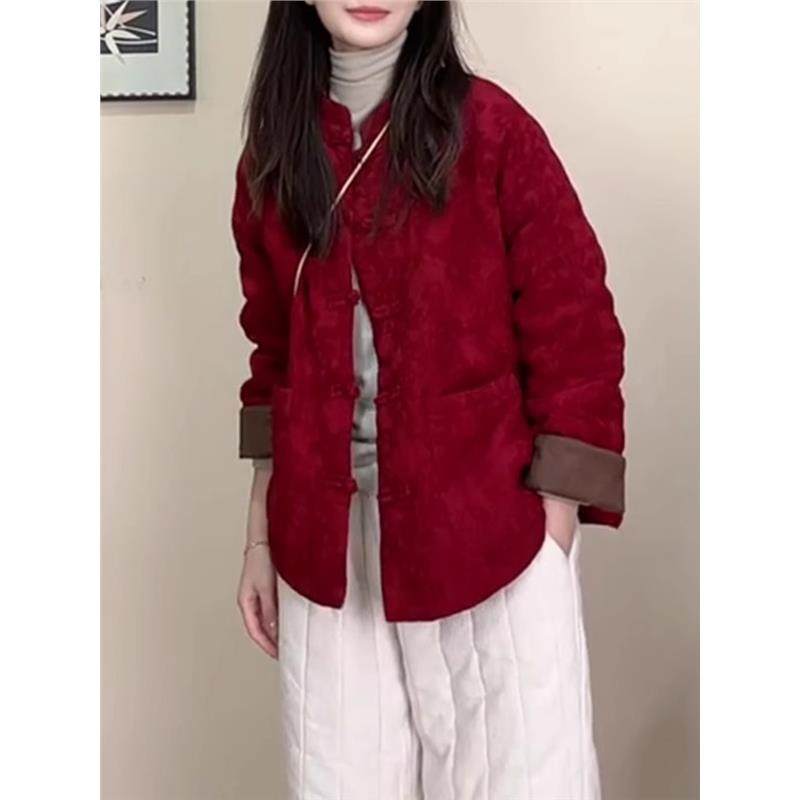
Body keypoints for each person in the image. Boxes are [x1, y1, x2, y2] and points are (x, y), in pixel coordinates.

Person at [233, 2, 625, 798]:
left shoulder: (495, 132)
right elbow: (273, 358)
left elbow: (576, 328)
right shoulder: (273, 157)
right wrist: (260, 538)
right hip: (327, 552)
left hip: (489, 538)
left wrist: (551, 530)